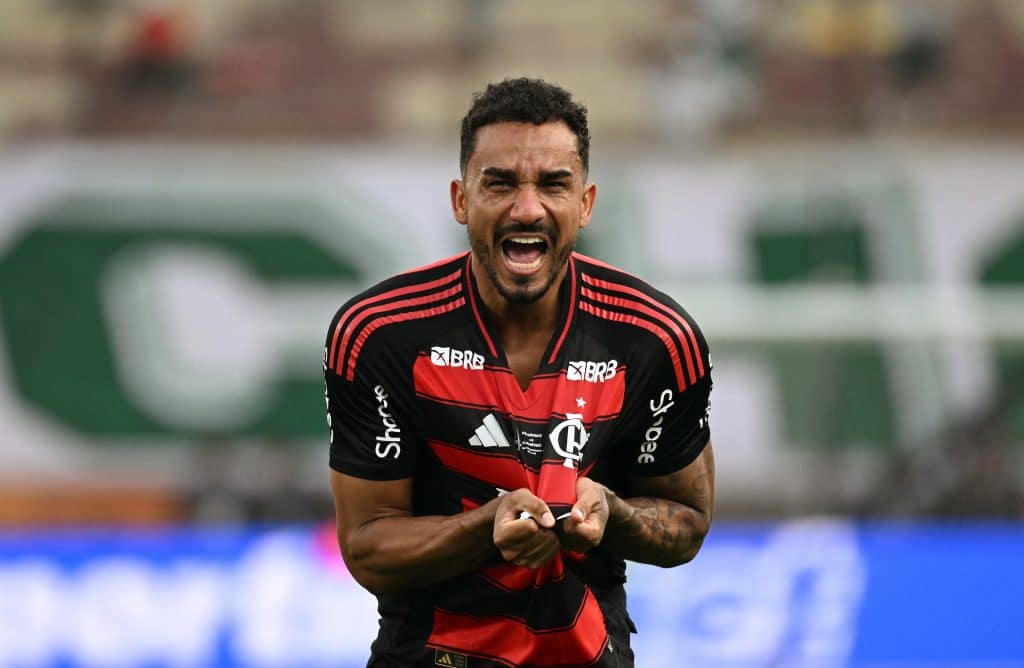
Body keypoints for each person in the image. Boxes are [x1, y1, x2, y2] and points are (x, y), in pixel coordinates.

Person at [324, 77, 714, 667]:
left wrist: (614, 514)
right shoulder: (379, 334)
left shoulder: (657, 338)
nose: (526, 207)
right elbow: (366, 547)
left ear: (584, 204)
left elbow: (687, 523)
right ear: (461, 200)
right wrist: (487, 527)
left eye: (554, 184)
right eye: (500, 182)